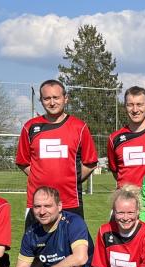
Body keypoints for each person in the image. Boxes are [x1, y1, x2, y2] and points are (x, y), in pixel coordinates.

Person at [15, 79, 98, 219]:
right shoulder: (29, 127)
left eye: (56, 97)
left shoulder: (79, 127)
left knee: (74, 241)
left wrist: (71, 179)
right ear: (41, 100)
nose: (52, 103)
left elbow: (90, 163)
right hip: (38, 203)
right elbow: (23, 162)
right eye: (47, 98)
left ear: (66, 98)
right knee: (35, 241)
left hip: (70, 202)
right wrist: (40, 177)